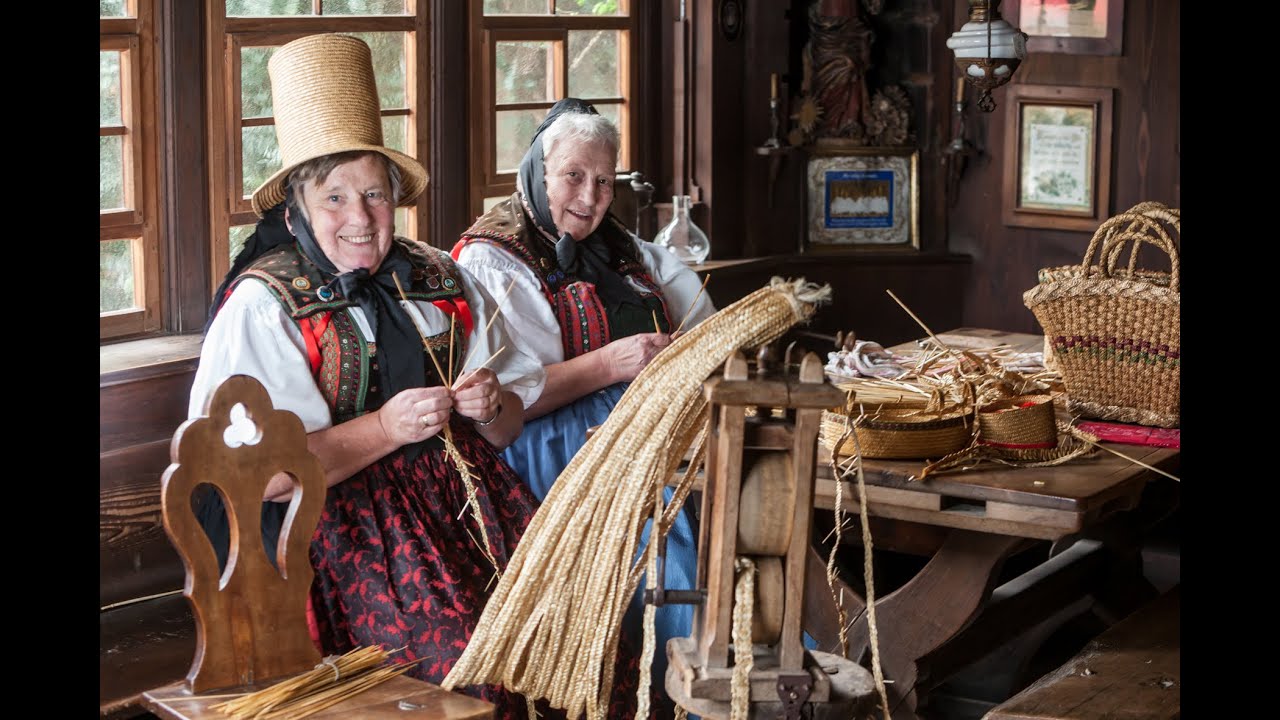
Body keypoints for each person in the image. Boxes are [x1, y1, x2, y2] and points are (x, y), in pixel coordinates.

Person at [186, 36, 639, 719]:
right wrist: (385, 428)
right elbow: (263, 476)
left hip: (471, 504)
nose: (360, 218)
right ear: (297, 208)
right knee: (469, 675)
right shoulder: (265, 304)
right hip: (335, 536)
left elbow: (507, 425)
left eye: (374, 193)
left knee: (589, 632)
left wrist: (488, 408)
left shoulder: (437, 277)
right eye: (334, 197)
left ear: (395, 194)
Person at [452, 98, 715, 711]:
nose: (590, 197)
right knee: (659, 531)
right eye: (573, 176)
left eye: (603, 181)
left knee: (744, 490)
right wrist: (614, 363)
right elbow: (510, 399)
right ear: (537, 172)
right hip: (548, 441)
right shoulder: (491, 257)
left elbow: (703, 320)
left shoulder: (630, 252)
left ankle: (758, 666)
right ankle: (690, 684)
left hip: (642, 424)